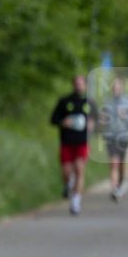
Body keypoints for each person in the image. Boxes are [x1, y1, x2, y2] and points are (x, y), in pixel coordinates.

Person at [49, 75, 96, 215]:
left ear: (85, 86)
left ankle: (76, 202)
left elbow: (98, 120)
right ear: (73, 85)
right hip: (67, 142)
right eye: (77, 84)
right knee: (67, 172)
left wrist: (93, 125)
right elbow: (53, 119)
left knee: (80, 169)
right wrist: (64, 122)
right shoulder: (64, 101)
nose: (79, 86)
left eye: (81, 84)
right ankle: (68, 183)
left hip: (82, 142)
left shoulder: (90, 103)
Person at [100, 77, 128, 202]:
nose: (116, 89)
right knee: (113, 163)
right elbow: (101, 122)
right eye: (114, 87)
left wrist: (125, 116)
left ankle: (121, 183)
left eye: (118, 86)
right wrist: (102, 120)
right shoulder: (107, 102)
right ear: (112, 88)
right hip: (110, 136)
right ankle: (114, 190)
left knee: (120, 164)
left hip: (123, 137)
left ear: (122, 88)